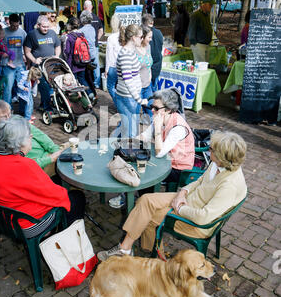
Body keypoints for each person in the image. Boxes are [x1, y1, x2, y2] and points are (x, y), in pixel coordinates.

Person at [98, 130, 247, 261]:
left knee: (148, 215)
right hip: (188, 199)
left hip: (196, 220)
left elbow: (203, 218)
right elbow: (200, 181)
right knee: (145, 200)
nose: (209, 150)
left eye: (212, 149)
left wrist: (180, 208)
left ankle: (146, 255)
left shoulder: (230, 185)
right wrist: (183, 192)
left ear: (222, 157)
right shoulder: (218, 164)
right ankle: (129, 249)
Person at [0, 115, 86, 237]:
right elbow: (54, 194)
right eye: (29, 135)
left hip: (4, 218)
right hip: (26, 224)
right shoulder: (25, 165)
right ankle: (65, 236)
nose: (31, 137)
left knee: (56, 181)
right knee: (77, 197)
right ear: (19, 142)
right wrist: (64, 193)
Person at [0, 98, 64, 179]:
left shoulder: (15, 119)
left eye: (9, 114)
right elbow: (19, 166)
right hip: (38, 165)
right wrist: (50, 159)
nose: (9, 118)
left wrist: (55, 150)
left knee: (72, 149)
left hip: (49, 154)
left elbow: (40, 135)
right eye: (3, 117)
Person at [139, 88, 195, 186]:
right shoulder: (160, 117)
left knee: (145, 171)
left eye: (156, 108)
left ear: (168, 110)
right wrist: (127, 142)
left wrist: (157, 128)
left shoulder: (178, 127)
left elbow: (159, 153)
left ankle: (145, 197)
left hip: (179, 168)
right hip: (166, 159)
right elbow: (144, 136)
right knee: (137, 161)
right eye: (152, 106)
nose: (152, 110)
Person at [115, 23, 148, 139]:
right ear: (133, 38)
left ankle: (122, 149)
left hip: (131, 96)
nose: (142, 39)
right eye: (140, 36)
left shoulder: (131, 52)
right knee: (130, 132)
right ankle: (125, 153)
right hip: (128, 97)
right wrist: (138, 99)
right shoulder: (125, 54)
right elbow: (128, 79)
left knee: (130, 128)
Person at [24, 15, 61, 112]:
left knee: (52, 85)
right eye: (44, 27)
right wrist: (34, 60)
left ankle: (44, 104)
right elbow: (27, 51)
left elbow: (57, 46)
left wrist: (57, 56)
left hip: (51, 64)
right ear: (38, 25)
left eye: (47, 27)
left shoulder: (52, 33)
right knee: (44, 86)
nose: (46, 29)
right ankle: (47, 108)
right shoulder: (32, 35)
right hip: (38, 66)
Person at [0, 13, 27, 106]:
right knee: (8, 88)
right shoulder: (3, 32)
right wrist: (1, 53)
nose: (15, 27)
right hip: (7, 65)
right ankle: (7, 108)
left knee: (23, 87)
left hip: (20, 64)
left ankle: (23, 109)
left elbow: (26, 47)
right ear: (9, 22)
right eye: (13, 25)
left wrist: (25, 56)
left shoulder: (22, 32)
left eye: (17, 25)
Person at [83, 0, 103, 89]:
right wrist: (96, 39)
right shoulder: (96, 17)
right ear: (91, 7)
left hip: (84, 46)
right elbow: (101, 30)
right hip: (94, 45)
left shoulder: (83, 18)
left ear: (84, 7)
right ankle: (96, 83)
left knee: (84, 64)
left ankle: (86, 82)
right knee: (96, 65)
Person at [135, 24, 153, 124]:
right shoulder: (133, 50)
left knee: (151, 112)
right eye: (149, 37)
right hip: (137, 88)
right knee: (135, 115)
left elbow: (149, 64)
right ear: (142, 37)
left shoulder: (148, 47)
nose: (151, 39)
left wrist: (150, 76)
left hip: (147, 86)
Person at [142, 13, 163, 92]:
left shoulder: (143, 34)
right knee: (154, 89)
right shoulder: (159, 33)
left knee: (147, 90)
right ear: (152, 22)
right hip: (157, 64)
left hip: (147, 66)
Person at [105, 14, 121, 109]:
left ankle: (118, 103)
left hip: (113, 66)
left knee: (110, 86)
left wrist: (106, 69)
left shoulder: (111, 38)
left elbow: (109, 55)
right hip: (122, 66)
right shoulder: (123, 36)